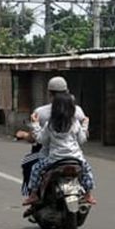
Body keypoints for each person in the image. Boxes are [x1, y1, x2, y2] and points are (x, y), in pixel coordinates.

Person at [23, 76, 94, 205]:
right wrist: (85, 125)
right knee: (87, 170)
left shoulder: (46, 119)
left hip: (53, 158)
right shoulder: (76, 116)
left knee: (32, 167)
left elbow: (40, 140)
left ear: (50, 94)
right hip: (76, 157)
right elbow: (82, 139)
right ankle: (88, 194)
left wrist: (35, 124)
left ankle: (33, 194)